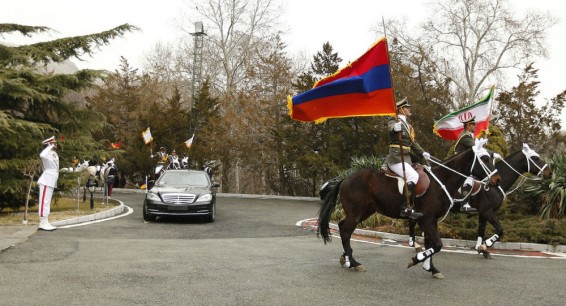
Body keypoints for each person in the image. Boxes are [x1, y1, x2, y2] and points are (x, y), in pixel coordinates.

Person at [385, 98, 430, 220]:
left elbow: (413, 143)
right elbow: (390, 127)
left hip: (406, 158)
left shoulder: (409, 126)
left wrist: (423, 153)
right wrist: (395, 128)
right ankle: (405, 207)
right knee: (413, 176)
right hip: (396, 158)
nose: (409, 109)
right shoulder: (393, 120)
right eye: (407, 107)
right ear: (400, 109)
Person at [454, 115, 478, 212]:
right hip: (460, 164)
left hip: (464, 163)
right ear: (468, 125)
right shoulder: (465, 137)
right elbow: (476, 149)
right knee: (469, 180)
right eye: (473, 125)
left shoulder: (469, 136)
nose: (475, 126)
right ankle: (464, 204)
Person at [37, 136, 59, 231]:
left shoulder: (53, 154)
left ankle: (46, 221)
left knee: (47, 201)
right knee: (44, 201)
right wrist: (49, 147)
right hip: (46, 180)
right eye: (53, 143)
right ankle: (42, 222)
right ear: (49, 144)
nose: (55, 144)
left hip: (51, 180)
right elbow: (41, 155)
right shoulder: (46, 153)